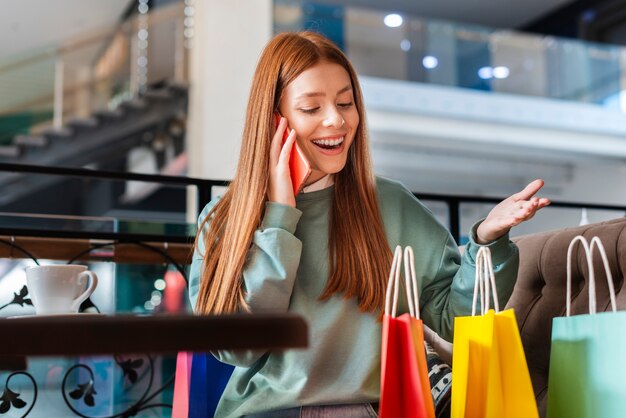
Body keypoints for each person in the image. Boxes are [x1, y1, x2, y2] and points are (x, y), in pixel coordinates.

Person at [188, 31, 550, 418]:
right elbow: (237, 347)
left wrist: (486, 241)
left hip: (377, 409)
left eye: (346, 102)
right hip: (273, 411)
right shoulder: (225, 217)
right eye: (311, 108)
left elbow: (455, 319)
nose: (337, 119)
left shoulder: (389, 204)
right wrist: (279, 218)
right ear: (275, 120)